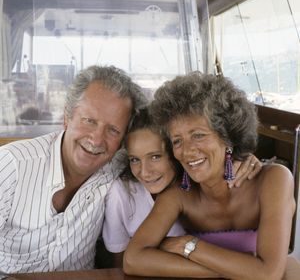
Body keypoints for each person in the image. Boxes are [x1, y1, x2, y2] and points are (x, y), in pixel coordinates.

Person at [123, 72, 296, 279]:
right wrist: (239, 270)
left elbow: (268, 274)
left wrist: (189, 246)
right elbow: (133, 260)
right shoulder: (179, 194)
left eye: (198, 135)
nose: (187, 151)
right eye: (177, 141)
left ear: (228, 137)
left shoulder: (274, 179)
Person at [0, 65, 147, 274]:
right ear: (67, 117)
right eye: (89, 121)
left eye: (113, 130)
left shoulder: (120, 164)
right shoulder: (12, 165)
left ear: (123, 140)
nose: (96, 139)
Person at [102, 107, 263, 268]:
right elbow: (121, 265)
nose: (144, 172)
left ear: (175, 153)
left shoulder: (197, 182)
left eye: (155, 157)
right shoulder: (121, 193)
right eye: (134, 159)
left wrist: (243, 157)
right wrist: (231, 269)